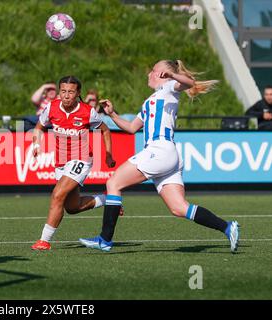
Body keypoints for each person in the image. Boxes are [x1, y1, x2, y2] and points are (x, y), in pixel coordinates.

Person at [79, 60, 240, 253]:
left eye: (153, 70)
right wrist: (112, 115)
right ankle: (227, 227)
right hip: (168, 154)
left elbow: (188, 82)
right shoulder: (151, 100)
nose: (149, 74)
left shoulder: (169, 88)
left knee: (113, 183)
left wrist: (172, 76)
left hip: (159, 150)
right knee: (179, 208)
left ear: (162, 73)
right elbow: (131, 128)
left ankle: (105, 240)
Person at [31, 76, 116, 251]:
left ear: (78, 93)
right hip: (61, 161)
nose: (66, 95)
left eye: (71, 92)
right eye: (63, 91)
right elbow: (39, 127)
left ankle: (44, 241)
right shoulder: (51, 107)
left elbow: (105, 130)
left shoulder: (87, 111)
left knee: (57, 195)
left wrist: (108, 154)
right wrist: (36, 144)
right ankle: (109, 200)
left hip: (81, 159)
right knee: (72, 207)